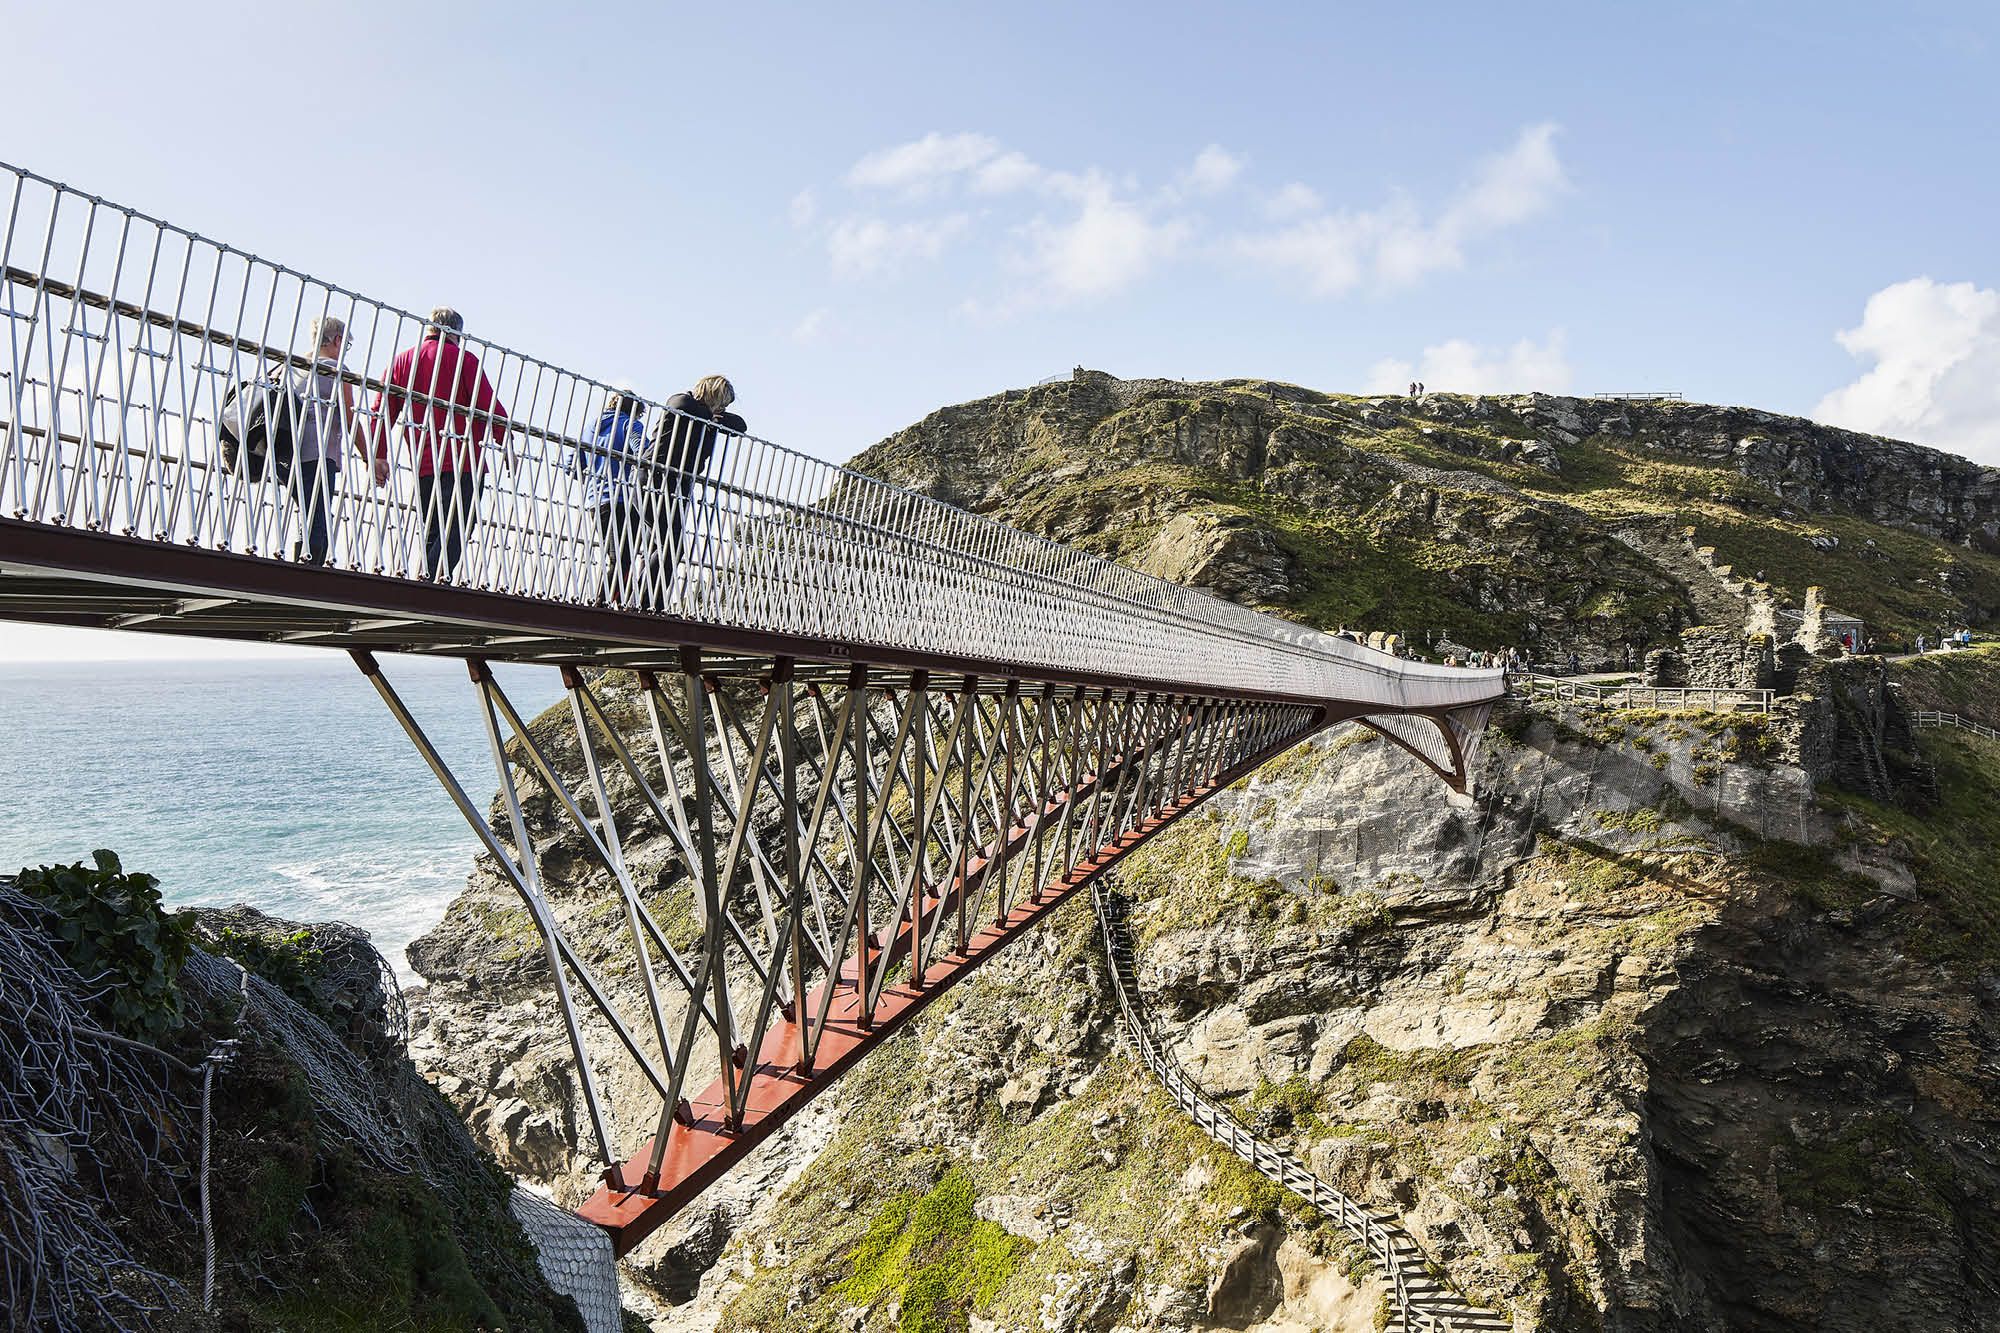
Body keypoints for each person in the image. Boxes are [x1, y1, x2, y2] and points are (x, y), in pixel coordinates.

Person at [368, 307, 510, 581]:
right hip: (463, 460)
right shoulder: (464, 360)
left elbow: (382, 410)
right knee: (458, 527)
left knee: (433, 529)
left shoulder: (403, 360)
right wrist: (506, 443)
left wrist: (379, 454)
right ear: (457, 333)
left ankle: (426, 579)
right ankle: (429, 581)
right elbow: (488, 406)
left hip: (424, 461)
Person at [642, 374, 745, 596]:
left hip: (677, 482)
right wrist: (710, 417)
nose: (723, 409)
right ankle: (645, 598)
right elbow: (679, 405)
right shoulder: (683, 401)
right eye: (722, 403)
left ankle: (647, 599)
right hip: (656, 477)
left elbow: (740, 426)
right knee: (671, 544)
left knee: (660, 544)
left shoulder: (709, 416)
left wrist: (715, 418)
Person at [289, 314, 355, 566]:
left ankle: (306, 562)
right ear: (337, 340)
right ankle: (309, 568)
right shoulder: (336, 370)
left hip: (290, 450)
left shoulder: (295, 367)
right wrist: (371, 458)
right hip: (319, 450)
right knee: (317, 516)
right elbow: (349, 417)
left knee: (308, 511)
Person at [574, 385, 649, 605]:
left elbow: (573, 465)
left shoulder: (590, 427)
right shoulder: (630, 424)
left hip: (595, 500)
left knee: (618, 557)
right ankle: (600, 604)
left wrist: (596, 476)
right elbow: (643, 452)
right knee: (623, 559)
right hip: (622, 499)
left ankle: (622, 604)